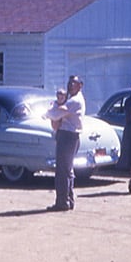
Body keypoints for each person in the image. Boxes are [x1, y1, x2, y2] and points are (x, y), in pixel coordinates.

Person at [45, 75, 85, 211]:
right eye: (69, 83)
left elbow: (55, 115)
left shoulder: (75, 101)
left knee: (63, 171)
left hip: (68, 136)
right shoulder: (71, 100)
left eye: (74, 83)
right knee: (67, 170)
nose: (70, 85)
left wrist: (49, 111)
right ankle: (68, 200)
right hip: (68, 136)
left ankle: (62, 202)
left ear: (80, 85)